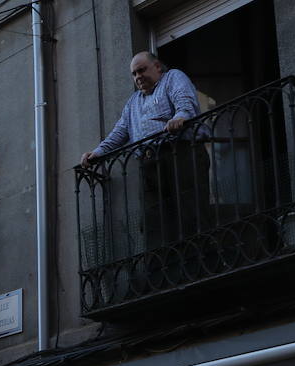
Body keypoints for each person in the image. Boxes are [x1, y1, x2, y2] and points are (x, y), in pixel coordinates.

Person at [81, 51, 210, 252]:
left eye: (142, 70)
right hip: (149, 163)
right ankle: (162, 267)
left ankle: (199, 255)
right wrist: (97, 153)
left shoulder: (172, 77)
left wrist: (181, 116)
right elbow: (120, 132)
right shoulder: (134, 102)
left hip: (180, 152)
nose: (138, 76)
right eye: (134, 74)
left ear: (157, 66)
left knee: (190, 208)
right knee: (153, 219)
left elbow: (185, 101)